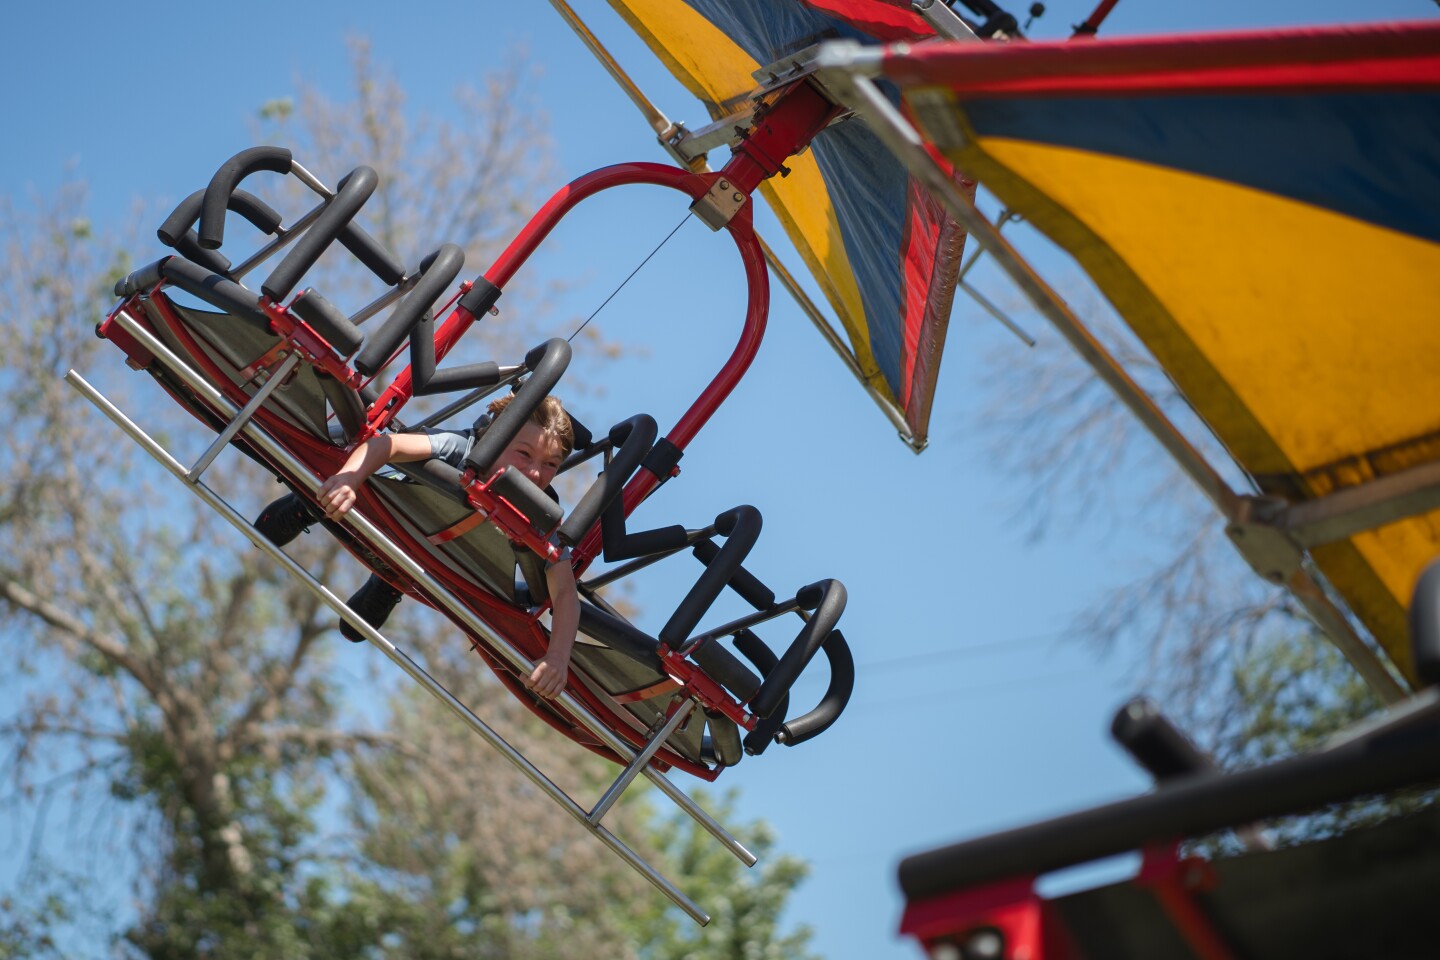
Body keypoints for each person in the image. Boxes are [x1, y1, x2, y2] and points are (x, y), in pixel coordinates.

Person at [254, 394, 579, 699]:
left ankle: (390, 580)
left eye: (551, 464)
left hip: (434, 559)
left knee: (356, 628)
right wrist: (349, 478)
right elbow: (388, 445)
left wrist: (557, 657)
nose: (535, 473)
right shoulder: (462, 448)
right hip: (393, 516)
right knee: (343, 494)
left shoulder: (541, 515)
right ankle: (308, 506)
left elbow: (565, 592)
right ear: (497, 436)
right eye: (524, 454)